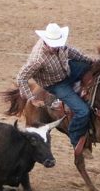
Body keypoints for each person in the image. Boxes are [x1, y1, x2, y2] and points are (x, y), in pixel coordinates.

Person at [16, 23, 94, 156]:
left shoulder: (60, 46)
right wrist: (31, 98)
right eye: (54, 44)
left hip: (67, 70)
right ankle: (76, 141)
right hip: (56, 84)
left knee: (92, 68)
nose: (57, 46)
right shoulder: (38, 59)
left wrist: (91, 61)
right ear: (46, 41)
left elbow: (72, 52)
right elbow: (21, 77)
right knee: (82, 111)